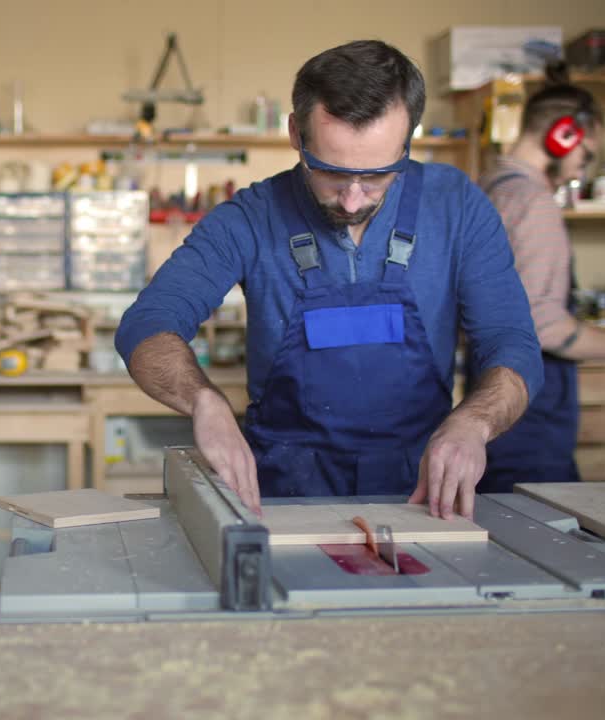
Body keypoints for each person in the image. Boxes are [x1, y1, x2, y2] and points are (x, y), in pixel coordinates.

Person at [114, 40, 542, 520]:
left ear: (407, 141)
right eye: (332, 173)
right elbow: (147, 324)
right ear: (296, 134)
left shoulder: (457, 207)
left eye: (378, 174)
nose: (353, 199)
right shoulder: (251, 217)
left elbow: (513, 344)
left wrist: (474, 423)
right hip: (281, 496)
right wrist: (203, 401)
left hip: (421, 495)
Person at [473, 65, 605, 491]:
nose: (580, 171)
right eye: (585, 155)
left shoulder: (488, 186)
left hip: (493, 399)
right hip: (529, 413)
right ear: (562, 136)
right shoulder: (533, 202)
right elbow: (541, 325)